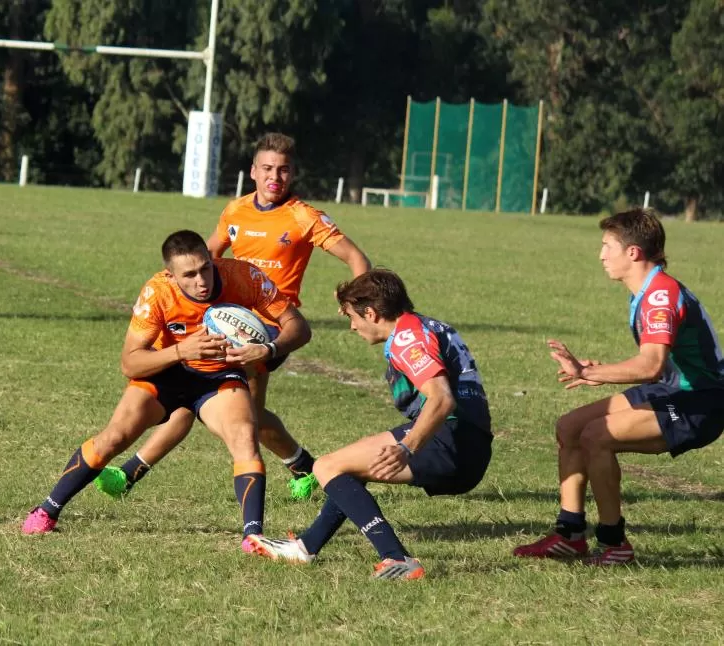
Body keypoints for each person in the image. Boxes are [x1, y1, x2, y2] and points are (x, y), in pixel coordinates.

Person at [95, 132, 371, 502]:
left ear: (294, 174)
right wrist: (171, 288)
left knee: (204, 401)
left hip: (268, 327)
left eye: (284, 170)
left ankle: (130, 473)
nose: (276, 177)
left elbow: (357, 259)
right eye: (268, 168)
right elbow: (205, 256)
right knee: (242, 415)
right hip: (219, 318)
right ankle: (304, 465)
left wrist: (355, 301)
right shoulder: (235, 210)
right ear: (253, 171)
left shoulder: (304, 217)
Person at [22, 230, 312, 551]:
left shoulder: (242, 276)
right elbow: (130, 364)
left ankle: (252, 536)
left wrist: (269, 349)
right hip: (167, 372)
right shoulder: (157, 293)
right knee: (114, 438)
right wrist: (181, 352)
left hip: (218, 377)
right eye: (189, 274)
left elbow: (298, 326)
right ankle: (47, 511)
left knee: (245, 437)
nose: (201, 280)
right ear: (171, 276)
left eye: (205, 268)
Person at [245, 269, 492, 579]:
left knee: (326, 467)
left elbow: (441, 399)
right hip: (470, 442)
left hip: (450, 440)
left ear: (372, 313)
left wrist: (407, 446)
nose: (352, 326)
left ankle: (396, 557)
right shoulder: (426, 325)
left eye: (353, 317)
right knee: (347, 464)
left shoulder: (407, 339)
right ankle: (305, 547)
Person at [513, 208, 724, 565]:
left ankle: (614, 543)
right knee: (570, 427)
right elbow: (659, 365)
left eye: (607, 246)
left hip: (701, 402)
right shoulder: (646, 290)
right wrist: (597, 370)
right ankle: (569, 534)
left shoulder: (659, 296)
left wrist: (587, 372)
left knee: (597, 435)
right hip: (673, 389)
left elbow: (651, 365)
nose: (601, 255)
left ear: (633, 252)